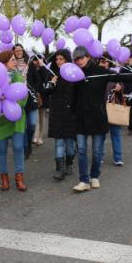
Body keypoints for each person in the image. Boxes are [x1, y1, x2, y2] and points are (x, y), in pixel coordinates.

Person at [71, 47, 132, 192]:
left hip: (98, 118)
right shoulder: (74, 74)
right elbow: (71, 96)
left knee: (97, 151)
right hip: (80, 119)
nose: (79, 61)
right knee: (82, 151)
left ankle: (94, 176)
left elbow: (122, 77)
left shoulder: (100, 72)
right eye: (76, 59)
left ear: (88, 57)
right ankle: (83, 180)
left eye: (81, 58)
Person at [0, 50, 27, 191]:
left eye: (15, 59)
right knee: (1, 150)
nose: (15, 61)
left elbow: (23, 99)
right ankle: (4, 179)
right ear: (4, 62)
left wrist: (11, 101)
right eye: (12, 59)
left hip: (16, 117)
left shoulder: (19, 77)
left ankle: (19, 178)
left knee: (18, 148)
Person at [42, 49, 76, 180]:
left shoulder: (73, 74)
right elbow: (45, 93)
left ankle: (69, 163)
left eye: (61, 59)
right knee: (59, 143)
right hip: (57, 114)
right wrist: (52, 83)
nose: (58, 61)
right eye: (57, 59)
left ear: (67, 59)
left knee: (70, 145)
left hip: (71, 114)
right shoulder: (53, 74)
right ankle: (59, 169)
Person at [24, 53, 42, 159]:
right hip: (17, 102)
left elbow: (38, 80)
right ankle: (26, 147)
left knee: (32, 124)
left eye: (20, 50)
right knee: (23, 127)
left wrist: (32, 89)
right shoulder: (13, 66)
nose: (18, 52)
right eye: (16, 51)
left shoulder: (30, 66)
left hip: (31, 100)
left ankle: (29, 141)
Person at [33, 54, 51, 146]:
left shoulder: (44, 69)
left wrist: (42, 66)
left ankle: (40, 136)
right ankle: (35, 136)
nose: (37, 61)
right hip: (34, 96)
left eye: (39, 59)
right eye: (35, 59)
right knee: (35, 118)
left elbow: (47, 79)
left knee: (41, 118)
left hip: (43, 96)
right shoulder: (32, 69)